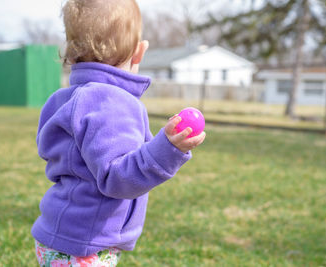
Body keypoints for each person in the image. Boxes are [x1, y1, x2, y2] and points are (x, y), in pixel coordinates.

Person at [31, 0, 206, 266]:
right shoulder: (111, 102)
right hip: (84, 246)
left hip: (59, 232)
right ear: (139, 52)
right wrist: (167, 149)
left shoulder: (67, 97)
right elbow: (118, 178)